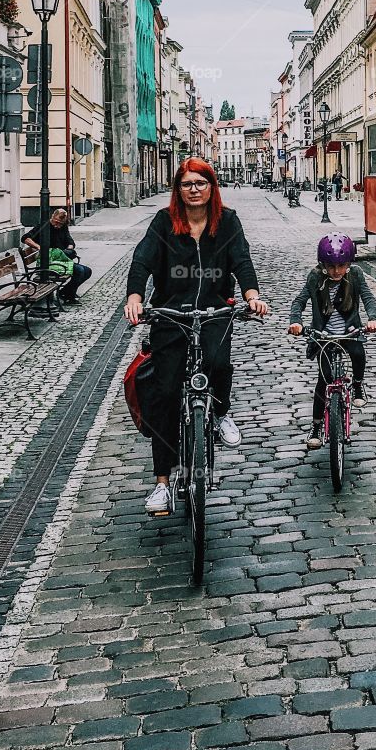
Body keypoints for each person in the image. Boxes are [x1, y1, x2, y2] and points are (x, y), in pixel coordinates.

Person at [124, 157, 269, 514]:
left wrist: (251, 295)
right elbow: (142, 261)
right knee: (166, 393)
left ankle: (220, 413)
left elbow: (242, 261)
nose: (194, 190)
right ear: (178, 189)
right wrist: (135, 297)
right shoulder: (164, 222)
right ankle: (161, 484)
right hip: (171, 314)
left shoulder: (228, 221)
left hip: (214, 309)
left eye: (200, 183)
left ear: (211, 187)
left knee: (218, 361)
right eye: (187, 184)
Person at [288, 233, 376, 450]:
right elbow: (299, 301)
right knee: (324, 379)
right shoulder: (315, 277)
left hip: (350, 331)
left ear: (349, 263)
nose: (337, 271)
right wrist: (296, 322)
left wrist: (373, 319)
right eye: (331, 266)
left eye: (342, 265)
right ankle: (316, 425)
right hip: (324, 335)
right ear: (322, 264)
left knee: (358, 354)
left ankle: (358, 386)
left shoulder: (356, 275)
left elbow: (368, 297)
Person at [21, 208, 92, 305]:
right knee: (79, 271)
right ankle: (68, 296)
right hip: (49, 262)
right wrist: (39, 247)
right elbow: (25, 238)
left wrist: (68, 249)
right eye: (56, 222)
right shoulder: (44, 226)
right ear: (52, 217)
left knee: (88, 271)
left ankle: (64, 293)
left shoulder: (63, 227)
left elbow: (70, 241)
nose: (57, 226)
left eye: (60, 224)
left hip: (61, 260)